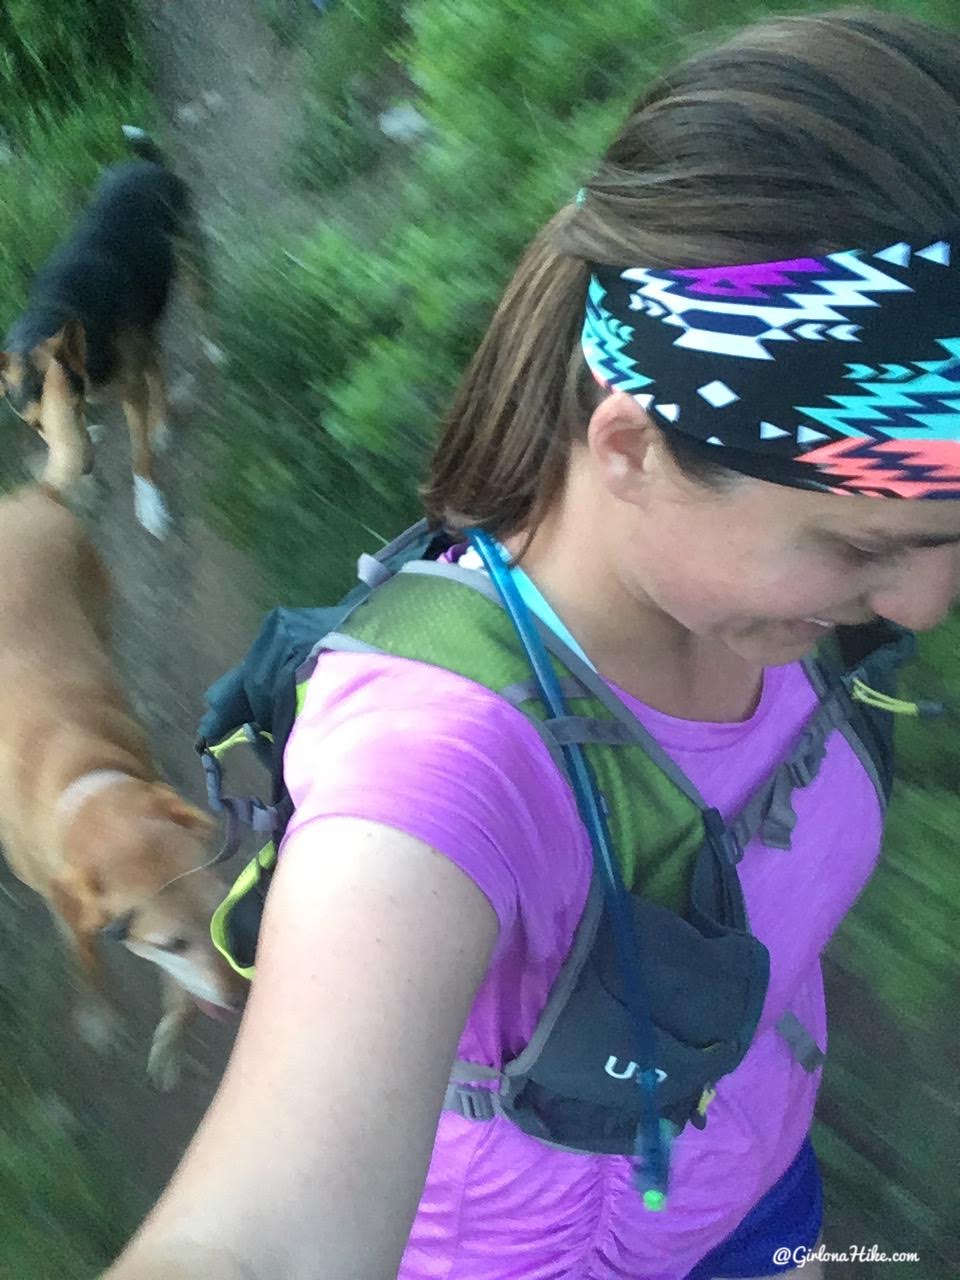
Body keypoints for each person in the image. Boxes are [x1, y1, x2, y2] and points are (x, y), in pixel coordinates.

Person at [103, 9, 960, 1279]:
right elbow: (266, 1232)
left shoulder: (778, 605)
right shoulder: (438, 762)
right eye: (860, 545)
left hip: (761, 1192)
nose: (924, 608)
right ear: (629, 449)